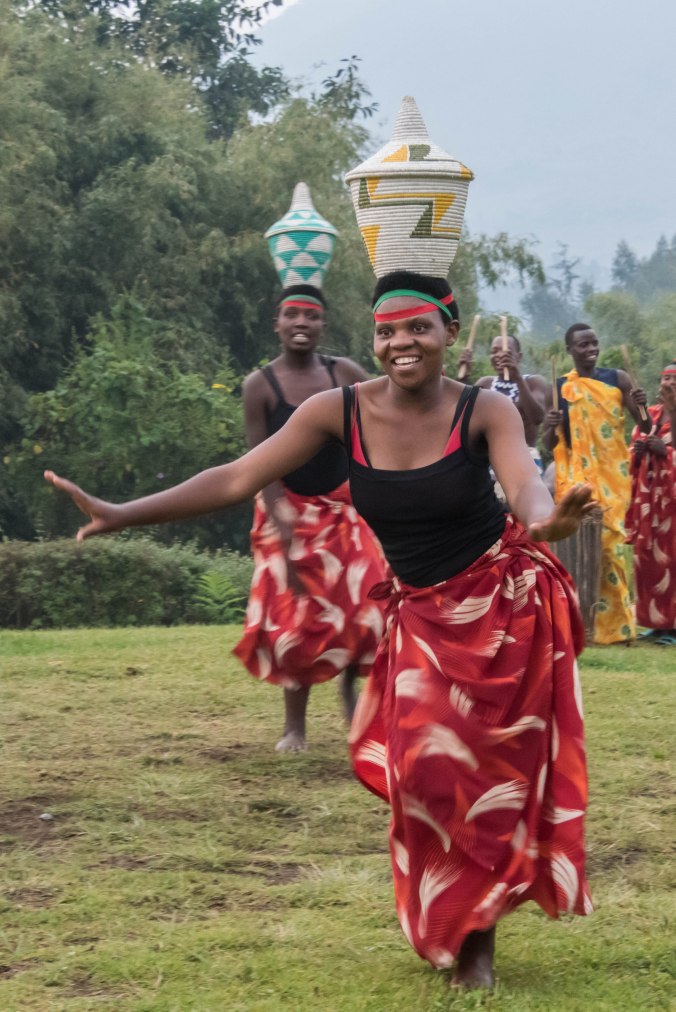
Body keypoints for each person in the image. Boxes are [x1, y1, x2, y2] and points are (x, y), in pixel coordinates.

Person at [44, 97, 596, 989]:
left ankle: (478, 942)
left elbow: (527, 494)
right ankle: (451, 913)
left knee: (485, 775)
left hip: (499, 613)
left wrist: (555, 521)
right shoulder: (335, 409)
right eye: (385, 330)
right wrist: (119, 509)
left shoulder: (482, 407)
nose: (400, 343)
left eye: (417, 326)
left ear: (449, 332)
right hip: (418, 620)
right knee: (424, 772)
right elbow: (233, 477)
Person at [233, 282, 386, 751]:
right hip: (286, 507)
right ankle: (294, 727)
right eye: (292, 315)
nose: (302, 323)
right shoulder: (260, 386)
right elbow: (259, 463)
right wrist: (281, 521)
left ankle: (348, 689)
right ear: (277, 323)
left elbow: (373, 441)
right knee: (296, 621)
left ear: (324, 324)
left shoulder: (347, 374)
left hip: (345, 507)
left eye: (312, 316)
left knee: (367, 609)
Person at [543, 323, 650, 644]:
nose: (591, 349)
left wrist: (641, 403)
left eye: (594, 343)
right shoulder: (560, 387)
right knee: (586, 545)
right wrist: (549, 426)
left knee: (613, 547)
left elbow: (644, 425)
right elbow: (552, 443)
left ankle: (617, 627)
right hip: (578, 478)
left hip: (613, 476)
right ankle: (583, 623)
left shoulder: (618, 379)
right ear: (570, 351)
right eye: (583, 345)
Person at [625, 361, 676, 644]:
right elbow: (640, 439)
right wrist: (642, 451)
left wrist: (665, 452)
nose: (669, 386)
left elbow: (671, 448)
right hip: (651, 503)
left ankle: (674, 625)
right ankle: (656, 623)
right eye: (666, 381)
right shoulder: (652, 414)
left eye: (675, 382)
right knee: (649, 563)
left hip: (673, 501)